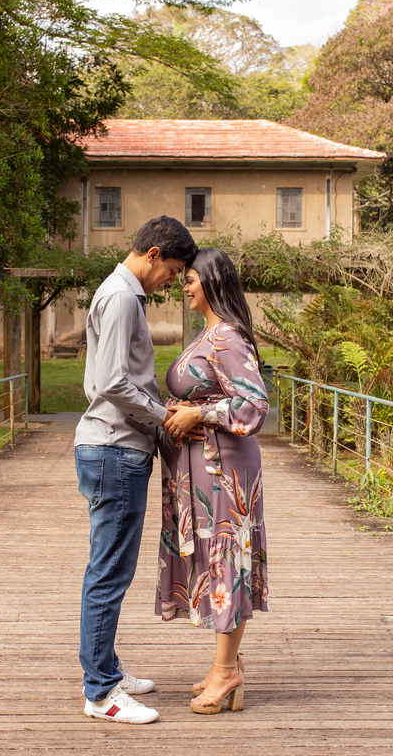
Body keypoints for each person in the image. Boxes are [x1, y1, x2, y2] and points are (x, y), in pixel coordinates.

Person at [76, 215, 199, 725]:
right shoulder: (124, 296)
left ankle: (106, 669)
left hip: (114, 447)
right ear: (152, 255)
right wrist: (164, 414)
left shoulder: (120, 292)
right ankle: (101, 692)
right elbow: (110, 382)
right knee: (109, 573)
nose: (172, 282)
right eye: (172, 270)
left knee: (112, 570)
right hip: (114, 448)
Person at [158, 247, 269, 715]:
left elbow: (253, 405)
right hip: (201, 468)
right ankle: (225, 662)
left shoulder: (227, 337)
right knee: (214, 556)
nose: (183, 286)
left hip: (224, 469)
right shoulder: (207, 334)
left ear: (214, 282)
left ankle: (227, 672)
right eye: (182, 278)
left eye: (190, 279)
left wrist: (199, 412)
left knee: (228, 559)